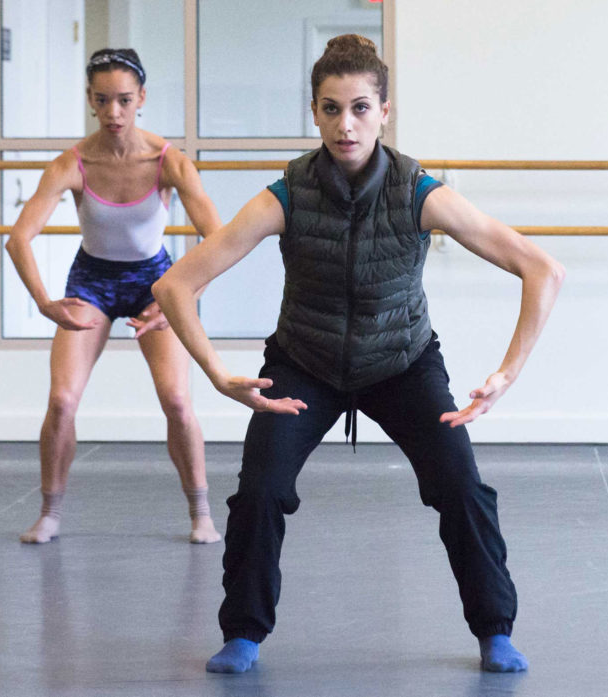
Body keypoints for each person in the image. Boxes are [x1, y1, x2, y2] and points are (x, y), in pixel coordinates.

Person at [153, 35, 564, 673]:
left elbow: (541, 268)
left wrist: (507, 372)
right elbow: (175, 284)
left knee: (460, 484)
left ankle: (494, 631)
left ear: (385, 111)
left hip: (402, 361)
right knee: (261, 490)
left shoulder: (419, 192)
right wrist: (215, 373)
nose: (346, 125)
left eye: (361, 108)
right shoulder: (286, 194)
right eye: (331, 108)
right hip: (303, 364)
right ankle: (243, 634)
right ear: (314, 113)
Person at [6, 48, 222, 546]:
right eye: (103, 101)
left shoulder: (169, 161)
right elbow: (18, 238)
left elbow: (219, 242)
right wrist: (42, 302)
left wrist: (181, 299)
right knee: (61, 400)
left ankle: (201, 513)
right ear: (90, 101)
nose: (114, 113)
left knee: (177, 401)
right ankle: (50, 513)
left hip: (156, 282)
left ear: (141, 98)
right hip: (92, 281)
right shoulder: (73, 163)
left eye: (124, 100)